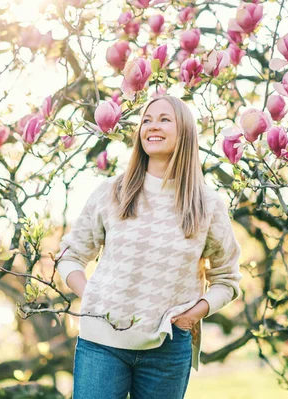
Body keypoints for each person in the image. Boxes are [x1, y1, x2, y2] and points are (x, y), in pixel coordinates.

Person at [56, 95, 243, 399]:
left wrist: (194, 314)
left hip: (167, 350)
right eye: (147, 119)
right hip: (101, 345)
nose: (152, 126)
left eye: (164, 119)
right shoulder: (111, 193)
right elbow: (69, 255)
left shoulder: (206, 205)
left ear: (184, 132)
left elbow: (227, 279)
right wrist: (92, 295)